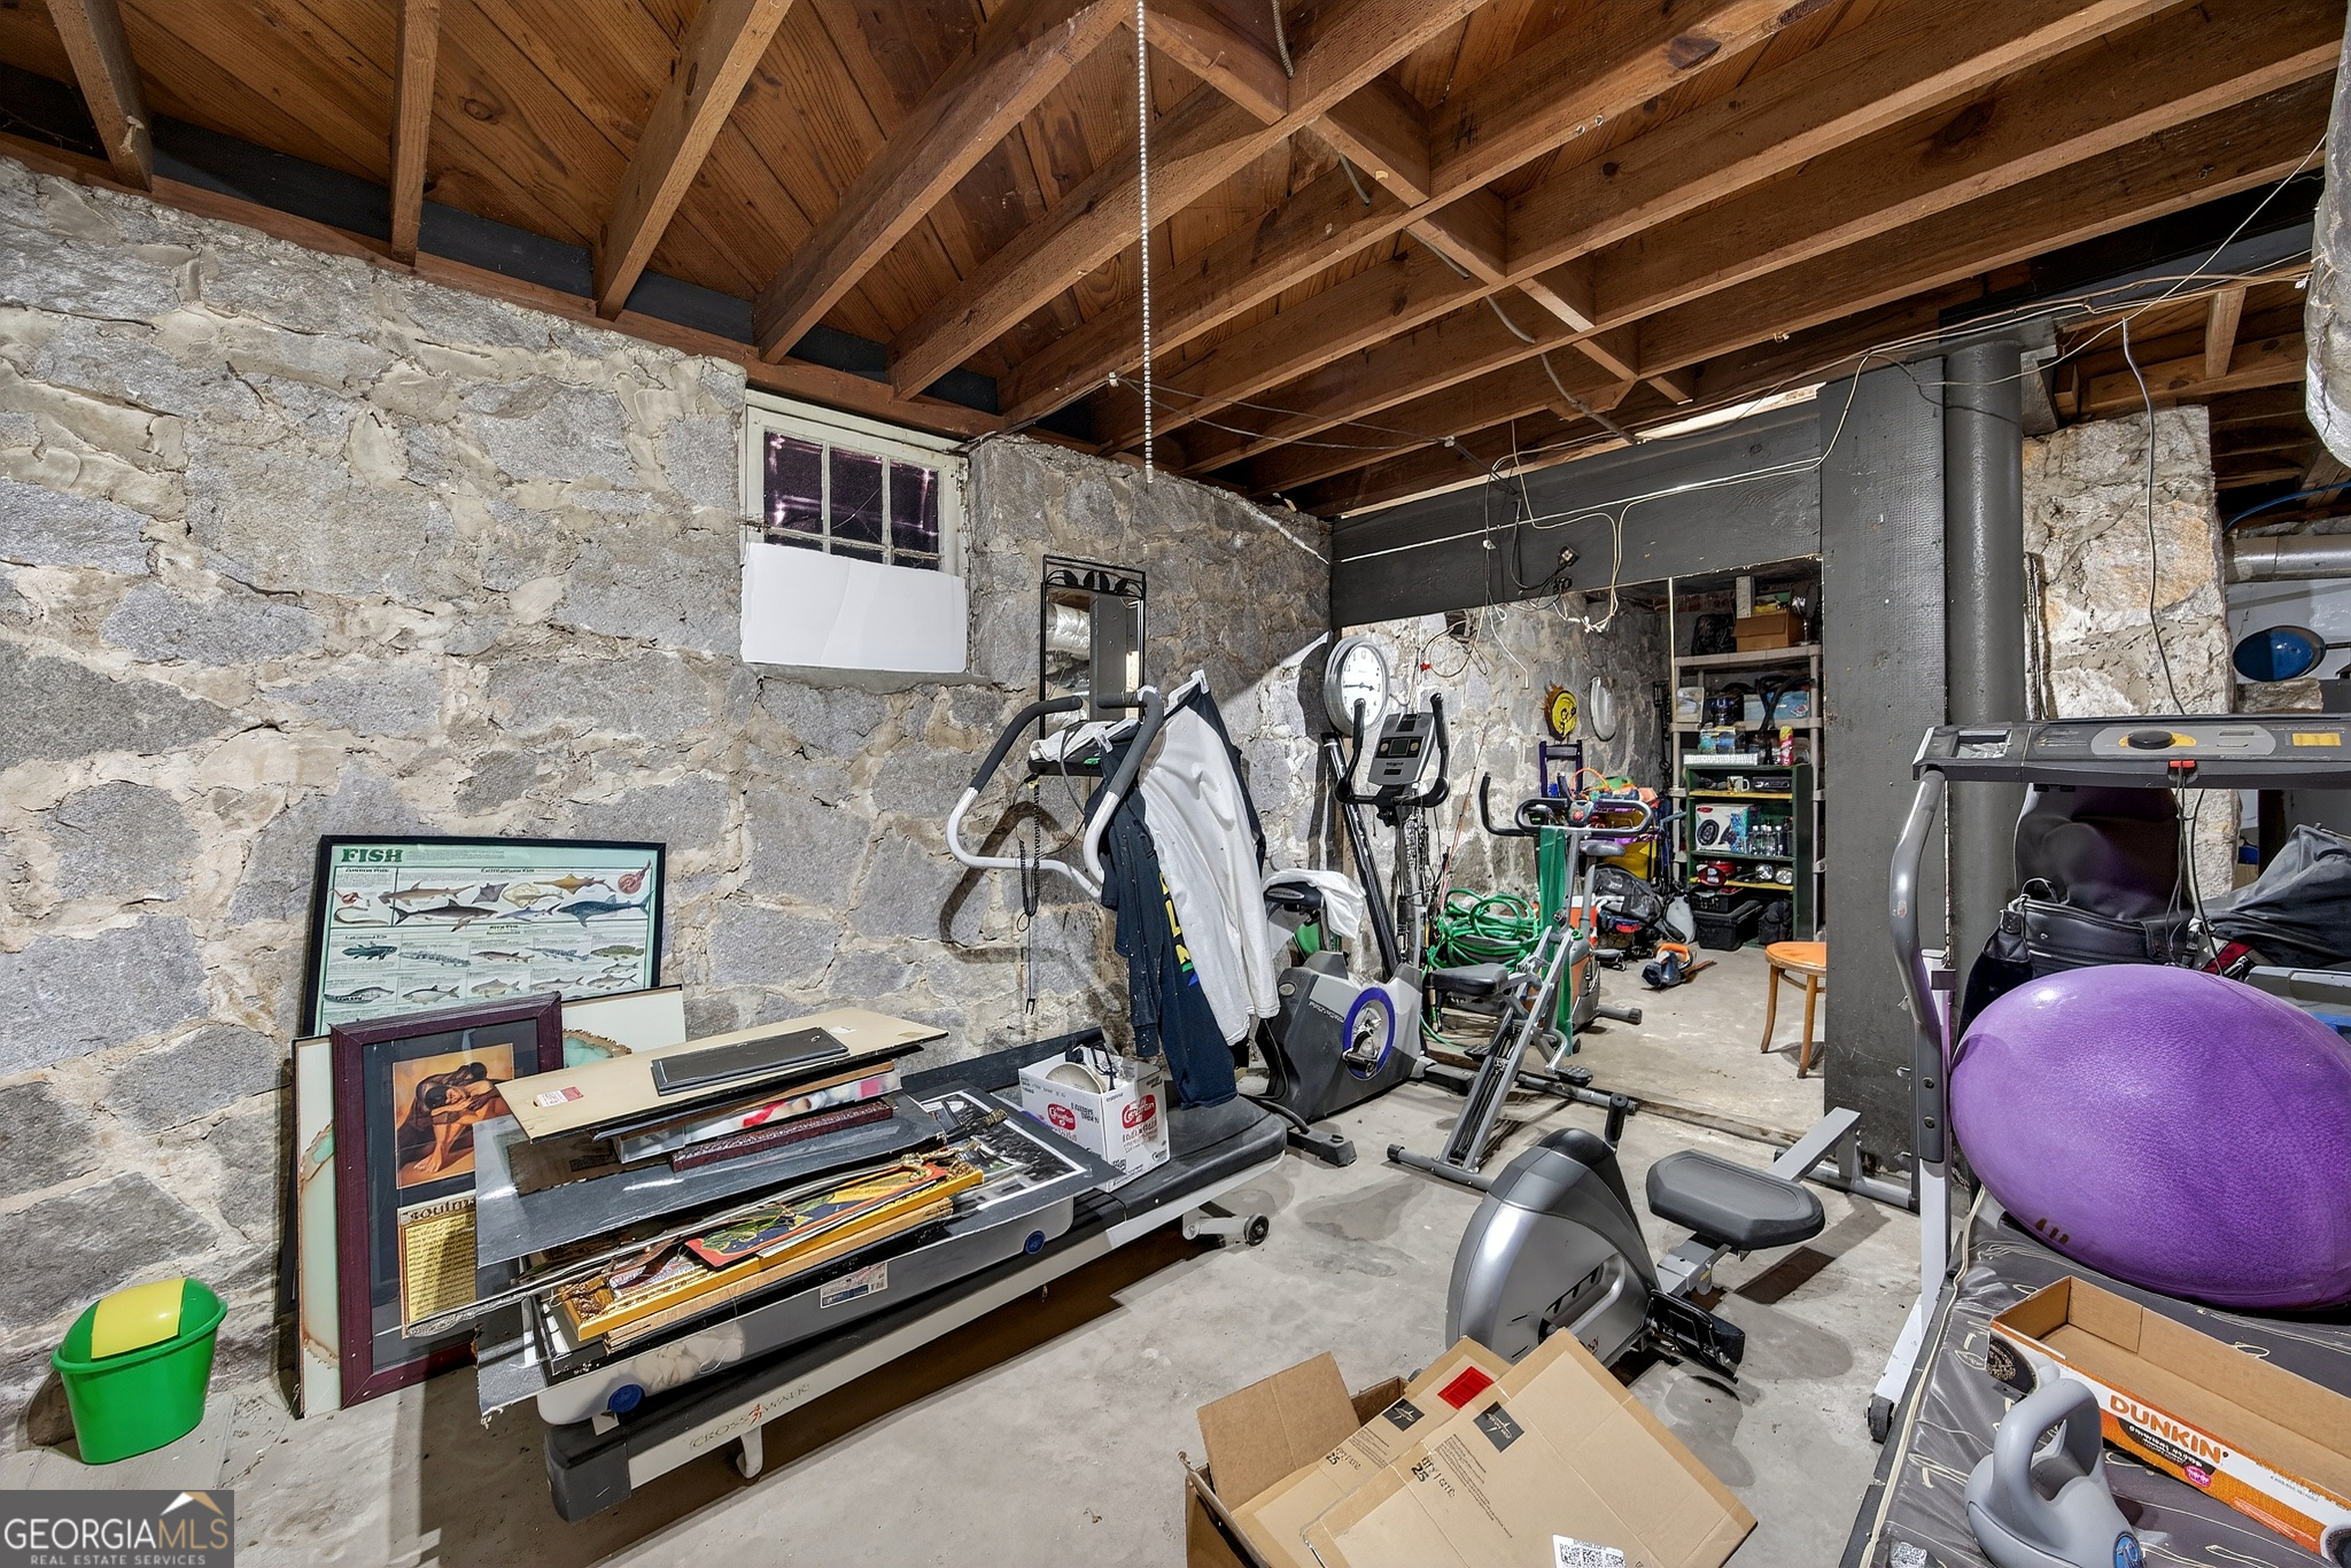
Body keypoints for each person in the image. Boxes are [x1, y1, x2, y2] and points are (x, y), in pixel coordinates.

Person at [396, 1060, 505, 1183]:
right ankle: (440, 1153)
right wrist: (453, 1107)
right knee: (405, 1150)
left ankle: (440, 1154)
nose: (454, 1099)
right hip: (424, 1124)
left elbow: (482, 1119)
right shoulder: (440, 1094)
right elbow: (433, 1114)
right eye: (449, 1100)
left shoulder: (482, 1087)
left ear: (451, 1087)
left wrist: (457, 1109)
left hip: (492, 1121)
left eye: (451, 1095)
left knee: (452, 1118)